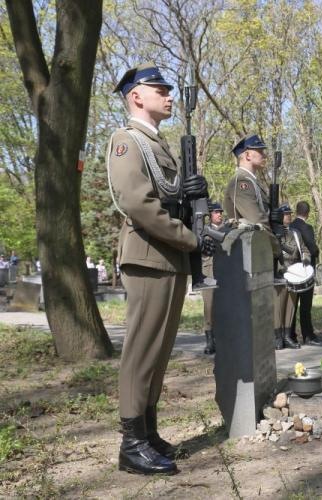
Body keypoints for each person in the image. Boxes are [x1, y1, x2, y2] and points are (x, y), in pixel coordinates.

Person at [107, 62, 215, 475]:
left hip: (167, 257)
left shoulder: (158, 143)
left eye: (170, 90)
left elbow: (168, 196)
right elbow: (137, 202)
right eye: (160, 89)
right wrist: (188, 238)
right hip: (148, 255)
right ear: (136, 96)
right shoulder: (127, 141)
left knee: (159, 351)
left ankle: (147, 433)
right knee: (141, 350)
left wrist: (192, 195)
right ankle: (131, 444)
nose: (168, 96)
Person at [273, 203, 310, 350]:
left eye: (289, 214)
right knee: (278, 306)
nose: (288, 216)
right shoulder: (274, 233)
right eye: (285, 214)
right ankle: (277, 337)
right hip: (280, 273)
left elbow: (305, 249)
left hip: (295, 273)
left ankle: (288, 335)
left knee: (291, 305)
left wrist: (306, 259)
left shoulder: (295, 233)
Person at [289, 201, 322, 346]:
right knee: (305, 305)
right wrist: (316, 251)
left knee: (292, 305)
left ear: (296, 211)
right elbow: (312, 248)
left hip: (291, 271)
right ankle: (308, 335)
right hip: (305, 271)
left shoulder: (289, 226)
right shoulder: (306, 227)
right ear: (307, 213)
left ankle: (290, 334)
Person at [201, 201, 224, 355]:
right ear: (210, 215)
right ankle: (210, 341)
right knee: (209, 306)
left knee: (223, 306)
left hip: (224, 272)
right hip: (208, 272)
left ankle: (222, 339)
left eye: (220, 212)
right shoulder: (203, 230)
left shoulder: (226, 230)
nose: (219, 214)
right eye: (216, 212)